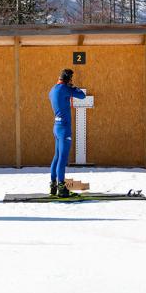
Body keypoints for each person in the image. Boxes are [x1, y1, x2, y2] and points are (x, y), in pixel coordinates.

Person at [49, 69, 86, 197]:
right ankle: (62, 188)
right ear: (67, 79)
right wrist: (73, 86)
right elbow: (82, 95)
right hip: (64, 128)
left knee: (56, 157)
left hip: (56, 126)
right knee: (62, 159)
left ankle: (53, 186)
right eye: (71, 79)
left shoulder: (53, 90)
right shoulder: (65, 89)